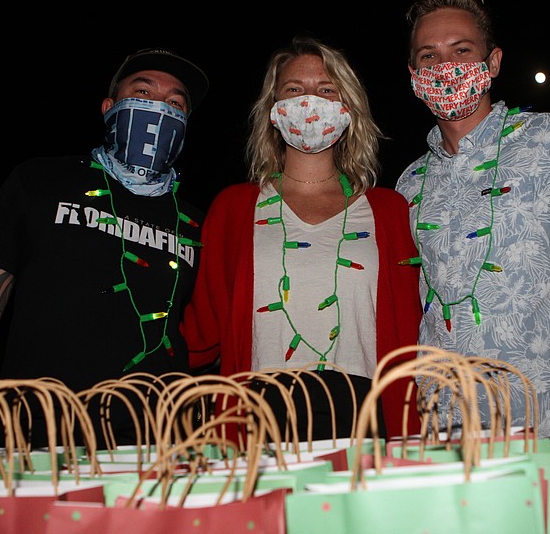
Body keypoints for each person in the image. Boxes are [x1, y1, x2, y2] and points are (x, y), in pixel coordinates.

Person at [0, 48, 209, 448]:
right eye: (143, 92)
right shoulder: (40, 181)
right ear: (109, 107)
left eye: (175, 102)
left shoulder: (197, 222)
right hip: (34, 438)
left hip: (152, 445)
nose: (159, 107)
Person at [395, 0, 550, 459]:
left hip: (548, 423)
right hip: (446, 436)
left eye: (461, 50)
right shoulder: (409, 183)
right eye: (429, 56)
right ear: (414, 75)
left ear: (493, 62)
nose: (446, 66)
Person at [180, 35, 423, 440]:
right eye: (294, 89)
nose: (310, 101)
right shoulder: (234, 208)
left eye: (326, 90)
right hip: (261, 407)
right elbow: (201, 328)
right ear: (274, 110)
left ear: (347, 109)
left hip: (363, 408)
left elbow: (414, 326)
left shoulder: (390, 210)